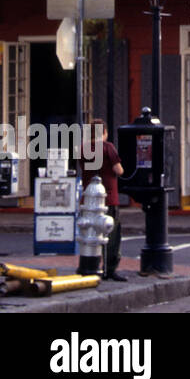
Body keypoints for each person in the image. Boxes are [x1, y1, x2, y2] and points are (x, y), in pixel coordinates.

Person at [81, 119, 126, 281]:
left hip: (88, 198)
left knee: (89, 234)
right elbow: (118, 170)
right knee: (111, 235)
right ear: (104, 132)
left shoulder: (82, 148)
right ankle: (110, 268)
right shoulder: (108, 148)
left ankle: (88, 265)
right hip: (108, 196)